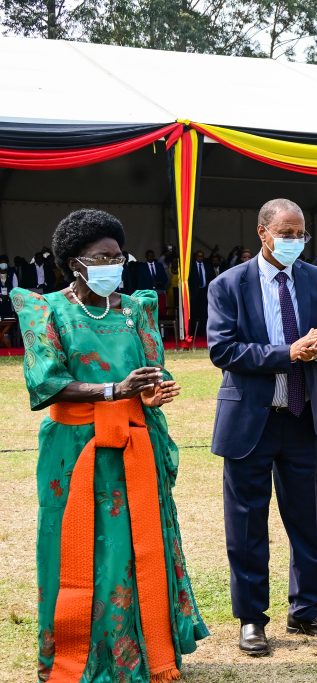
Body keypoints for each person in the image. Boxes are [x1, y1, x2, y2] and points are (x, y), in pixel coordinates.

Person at [14, 209, 207, 681]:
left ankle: (144, 653)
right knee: (77, 547)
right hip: (74, 449)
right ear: (74, 263)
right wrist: (112, 391)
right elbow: (46, 383)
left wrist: (151, 393)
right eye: (103, 257)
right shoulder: (46, 310)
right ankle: (82, 654)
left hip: (134, 444)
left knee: (136, 544)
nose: (114, 266)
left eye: (119, 257)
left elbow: (151, 374)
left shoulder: (135, 309)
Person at [207, 198, 317, 657]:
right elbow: (223, 351)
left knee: (306, 520)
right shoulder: (229, 284)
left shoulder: (313, 277)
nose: (294, 241)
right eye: (286, 233)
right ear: (263, 233)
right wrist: (286, 353)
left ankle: (306, 609)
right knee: (247, 524)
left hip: (302, 416)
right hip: (251, 420)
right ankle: (252, 618)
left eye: (300, 234)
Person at [187, 250, 211, 339]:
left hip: (205, 292)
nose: (200, 258)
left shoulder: (207, 266)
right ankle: (193, 332)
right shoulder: (191, 267)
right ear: (195, 257)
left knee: (204, 313)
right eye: (199, 256)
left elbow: (211, 278)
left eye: (202, 256)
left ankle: (204, 332)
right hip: (195, 293)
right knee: (194, 313)